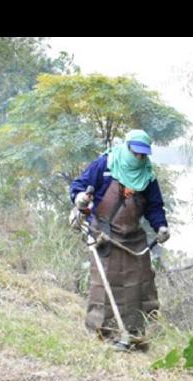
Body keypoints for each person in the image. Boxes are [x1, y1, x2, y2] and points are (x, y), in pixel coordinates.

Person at [69, 129, 170, 346]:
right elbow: (78, 185)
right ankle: (101, 331)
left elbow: (154, 206)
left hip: (133, 236)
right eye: (136, 153)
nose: (140, 158)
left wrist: (161, 226)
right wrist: (79, 198)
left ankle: (134, 331)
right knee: (104, 282)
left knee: (139, 282)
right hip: (103, 232)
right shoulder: (105, 165)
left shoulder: (148, 176)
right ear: (127, 148)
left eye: (144, 155)